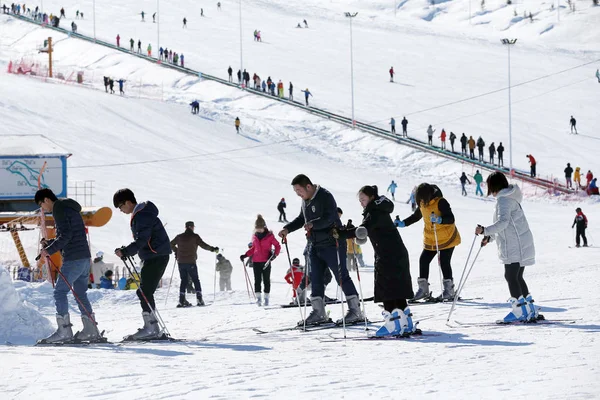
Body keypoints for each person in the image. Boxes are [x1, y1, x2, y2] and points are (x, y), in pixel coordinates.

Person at [279, 174, 363, 325]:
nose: (298, 194)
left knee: (341, 277)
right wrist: (287, 229)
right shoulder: (305, 201)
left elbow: (330, 217)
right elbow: (301, 219)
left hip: (332, 243)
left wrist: (313, 225)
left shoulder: (325, 196)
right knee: (316, 278)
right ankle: (319, 312)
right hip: (315, 245)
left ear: (308, 187)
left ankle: (356, 311)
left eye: (299, 190)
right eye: (296, 191)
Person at [342, 185, 416, 337]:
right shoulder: (380, 210)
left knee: (386, 289)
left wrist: (342, 233)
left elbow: (364, 229)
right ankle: (405, 323)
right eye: (360, 200)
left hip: (386, 255)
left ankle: (392, 325)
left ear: (371, 198)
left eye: (363, 199)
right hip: (398, 253)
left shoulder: (374, 212)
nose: (361, 202)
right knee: (398, 288)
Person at [35, 188, 101, 343]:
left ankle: (64, 331)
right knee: (80, 293)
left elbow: (66, 236)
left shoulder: (58, 208)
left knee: (60, 292)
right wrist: (50, 243)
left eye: (41, 205)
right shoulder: (69, 207)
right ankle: (91, 330)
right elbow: (69, 234)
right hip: (84, 257)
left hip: (73, 258)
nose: (43, 209)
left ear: (46, 200)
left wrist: (49, 250)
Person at [476, 172, 538, 322]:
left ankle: (519, 312)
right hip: (519, 243)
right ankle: (529, 309)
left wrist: (485, 230)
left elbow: (503, 223)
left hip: (515, 246)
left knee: (511, 276)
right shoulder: (510, 198)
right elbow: (507, 225)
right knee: (516, 276)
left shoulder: (504, 200)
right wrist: (489, 237)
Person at [113, 189, 171, 340]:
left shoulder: (142, 215)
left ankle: (151, 328)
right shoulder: (141, 214)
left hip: (156, 256)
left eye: (120, 207)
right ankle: (151, 327)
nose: (121, 210)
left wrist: (126, 251)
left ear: (127, 202)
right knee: (144, 291)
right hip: (153, 255)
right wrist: (127, 251)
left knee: (144, 292)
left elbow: (142, 239)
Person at [398, 183, 461, 301]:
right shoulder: (423, 203)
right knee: (423, 260)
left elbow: (451, 218)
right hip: (432, 238)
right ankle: (423, 290)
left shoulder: (441, 202)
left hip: (447, 237)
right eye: (419, 199)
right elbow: (416, 216)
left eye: (422, 198)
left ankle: (449, 291)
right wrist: (403, 223)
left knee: (444, 262)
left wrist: (439, 219)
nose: (421, 201)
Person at [170, 221, 219, 307]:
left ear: (186, 227)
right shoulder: (195, 237)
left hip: (181, 262)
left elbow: (170, 244)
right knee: (196, 280)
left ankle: (181, 300)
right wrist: (213, 249)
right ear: (191, 227)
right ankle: (199, 299)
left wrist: (176, 251)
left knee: (183, 280)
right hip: (191, 262)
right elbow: (203, 245)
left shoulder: (179, 237)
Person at [241, 215, 281, 306]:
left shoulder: (270, 236)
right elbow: (253, 249)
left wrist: (274, 255)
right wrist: (245, 255)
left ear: (264, 227)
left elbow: (277, 246)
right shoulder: (254, 237)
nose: (259, 230)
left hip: (266, 261)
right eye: (257, 228)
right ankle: (258, 298)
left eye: (260, 228)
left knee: (266, 280)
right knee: (257, 280)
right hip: (256, 262)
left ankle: (266, 299)